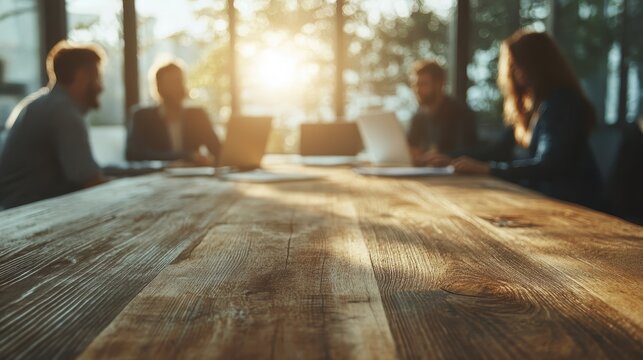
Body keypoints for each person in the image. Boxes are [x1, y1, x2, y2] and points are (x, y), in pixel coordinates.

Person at [428, 30, 603, 209]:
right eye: (511, 65)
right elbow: (500, 150)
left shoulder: (562, 103)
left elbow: (549, 165)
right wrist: (449, 158)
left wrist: (488, 169)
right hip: (550, 203)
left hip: (577, 207)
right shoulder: (533, 107)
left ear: (537, 64)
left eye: (517, 64)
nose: (514, 72)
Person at [0, 41, 106, 210]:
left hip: (15, 209)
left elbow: (89, 169)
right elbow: (89, 180)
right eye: (98, 77)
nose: (101, 87)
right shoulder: (63, 112)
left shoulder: (38, 103)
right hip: (32, 215)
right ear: (83, 76)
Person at [126, 59, 220, 165]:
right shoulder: (142, 117)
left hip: (194, 176)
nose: (179, 87)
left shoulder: (197, 116)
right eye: (172, 82)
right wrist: (187, 156)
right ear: (159, 87)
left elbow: (218, 150)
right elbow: (135, 154)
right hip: (157, 177)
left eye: (180, 81)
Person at [407, 60, 477, 164]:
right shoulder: (418, 117)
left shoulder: (460, 113)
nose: (417, 90)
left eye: (423, 84)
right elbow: (411, 147)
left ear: (439, 84)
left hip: (455, 175)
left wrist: (443, 156)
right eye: (415, 85)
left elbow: (471, 152)